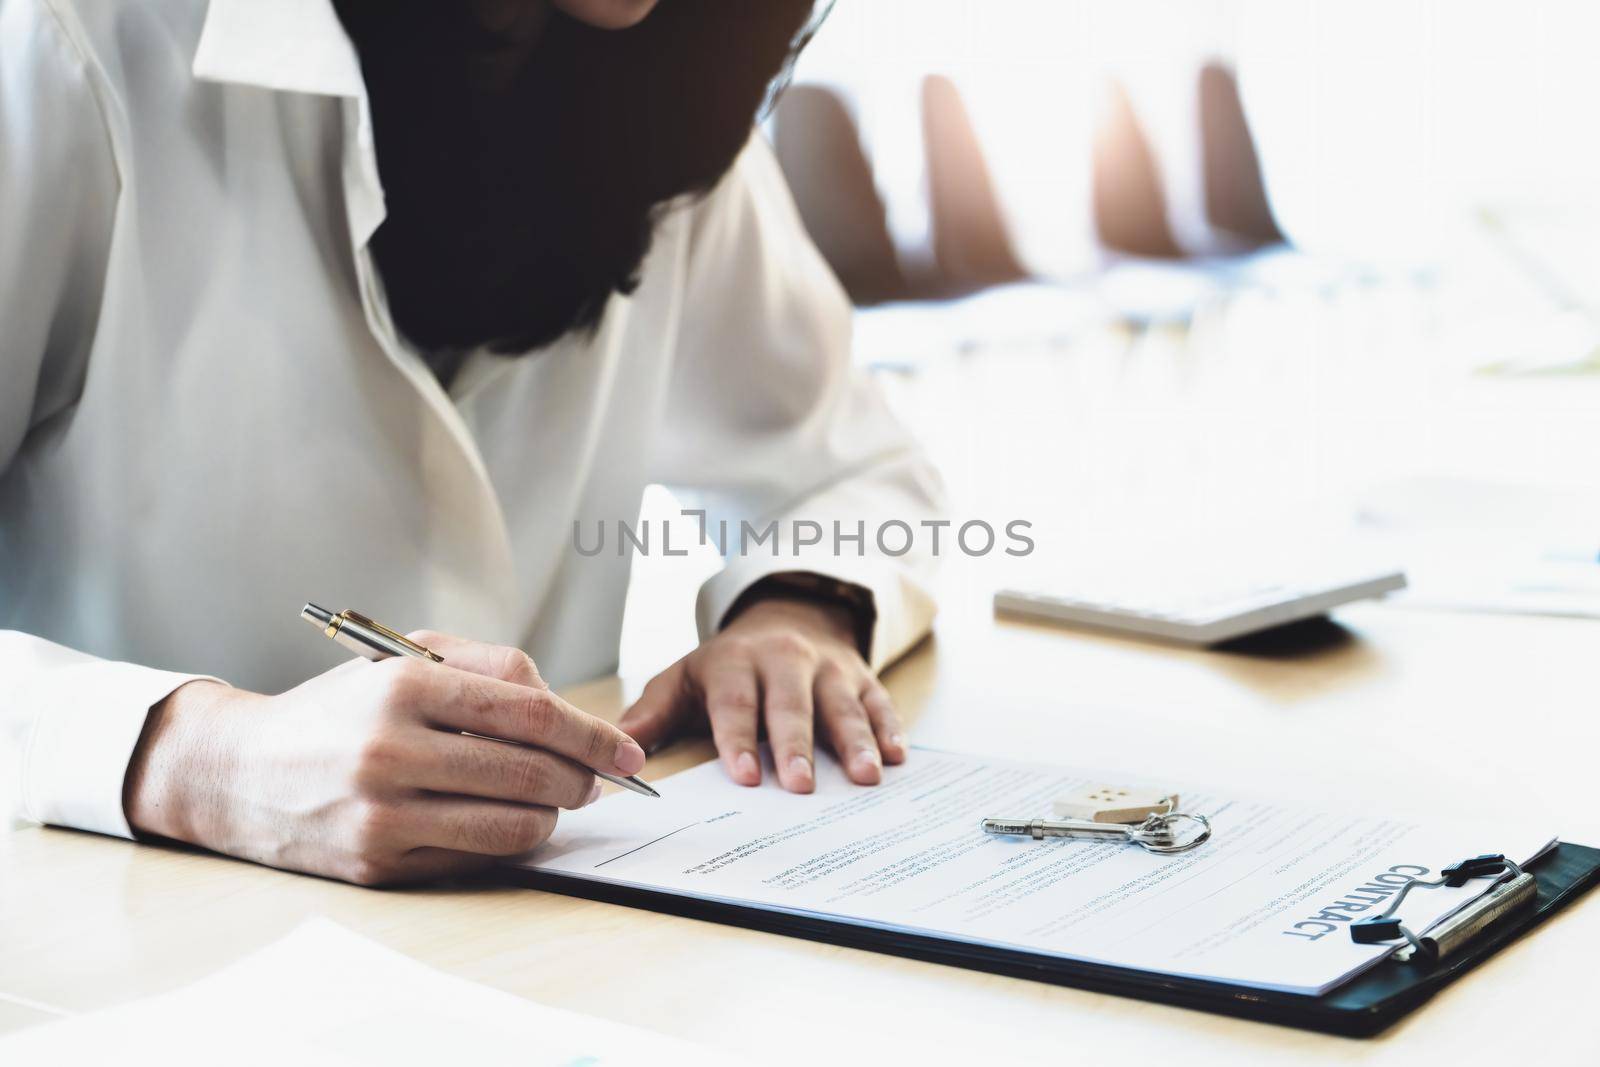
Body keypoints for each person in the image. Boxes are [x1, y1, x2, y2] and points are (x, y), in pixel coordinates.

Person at [0, 0, 941, 885]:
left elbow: (850, 467)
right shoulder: (62, 39)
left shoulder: (677, 87)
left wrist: (795, 608)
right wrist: (195, 759)